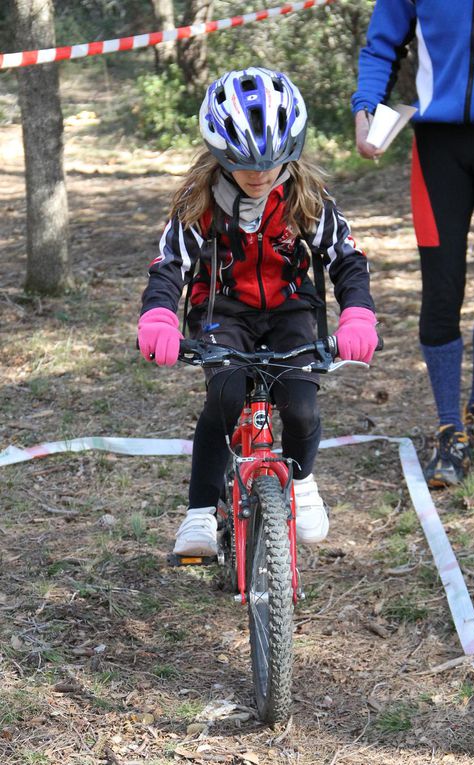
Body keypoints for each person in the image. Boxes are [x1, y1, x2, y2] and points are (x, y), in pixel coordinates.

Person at [138, 66, 378, 557]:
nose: (260, 176)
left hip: (291, 311)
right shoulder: (198, 204)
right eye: (245, 165)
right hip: (222, 310)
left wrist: (358, 314)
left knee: (302, 405)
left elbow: (347, 260)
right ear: (220, 156)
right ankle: (200, 512)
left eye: (271, 163)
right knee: (224, 400)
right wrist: (158, 316)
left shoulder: (307, 200)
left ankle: (302, 482)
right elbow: (169, 267)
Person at [352, 1, 474, 488]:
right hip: (438, 149)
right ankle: (449, 429)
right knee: (443, 292)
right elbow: (382, 44)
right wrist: (365, 108)